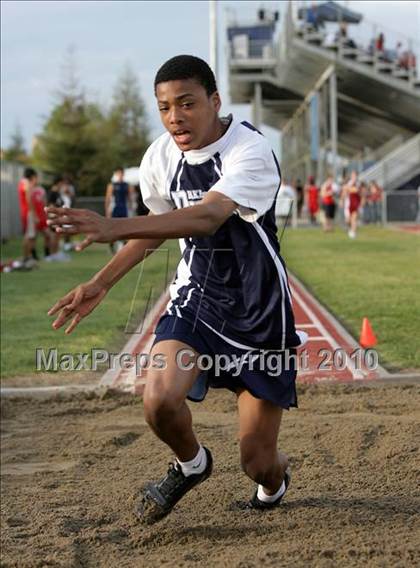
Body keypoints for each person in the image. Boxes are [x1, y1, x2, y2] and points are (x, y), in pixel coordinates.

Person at [46, 55, 308, 524]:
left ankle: (274, 482)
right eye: (164, 107)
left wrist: (111, 227)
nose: (175, 118)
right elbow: (158, 226)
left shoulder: (250, 150)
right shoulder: (161, 156)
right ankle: (192, 464)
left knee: (257, 462)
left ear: (215, 101)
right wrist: (100, 282)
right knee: (158, 401)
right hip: (197, 302)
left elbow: (207, 217)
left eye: (186, 104)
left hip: (259, 314)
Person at [105, 167, 135, 253]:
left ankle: (123, 247)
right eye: (118, 173)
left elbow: (129, 198)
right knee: (113, 228)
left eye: (121, 173)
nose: (120, 175)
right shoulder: (112, 185)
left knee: (125, 228)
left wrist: (131, 209)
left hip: (124, 208)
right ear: (116, 174)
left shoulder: (126, 185)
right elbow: (108, 198)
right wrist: (107, 211)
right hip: (115, 208)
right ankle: (112, 245)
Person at [341, 170, 362, 238]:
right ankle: (350, 228)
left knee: (354, 218)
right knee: (348, 220)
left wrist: (347, 188)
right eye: (353, 175)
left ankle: (353, 232)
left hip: (355, 203)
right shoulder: (349, 182)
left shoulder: (358, 183)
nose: (354, 177)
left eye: (355, 175)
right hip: (348, 203)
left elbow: (356, 190)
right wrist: (342, 199)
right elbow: (344, 192)